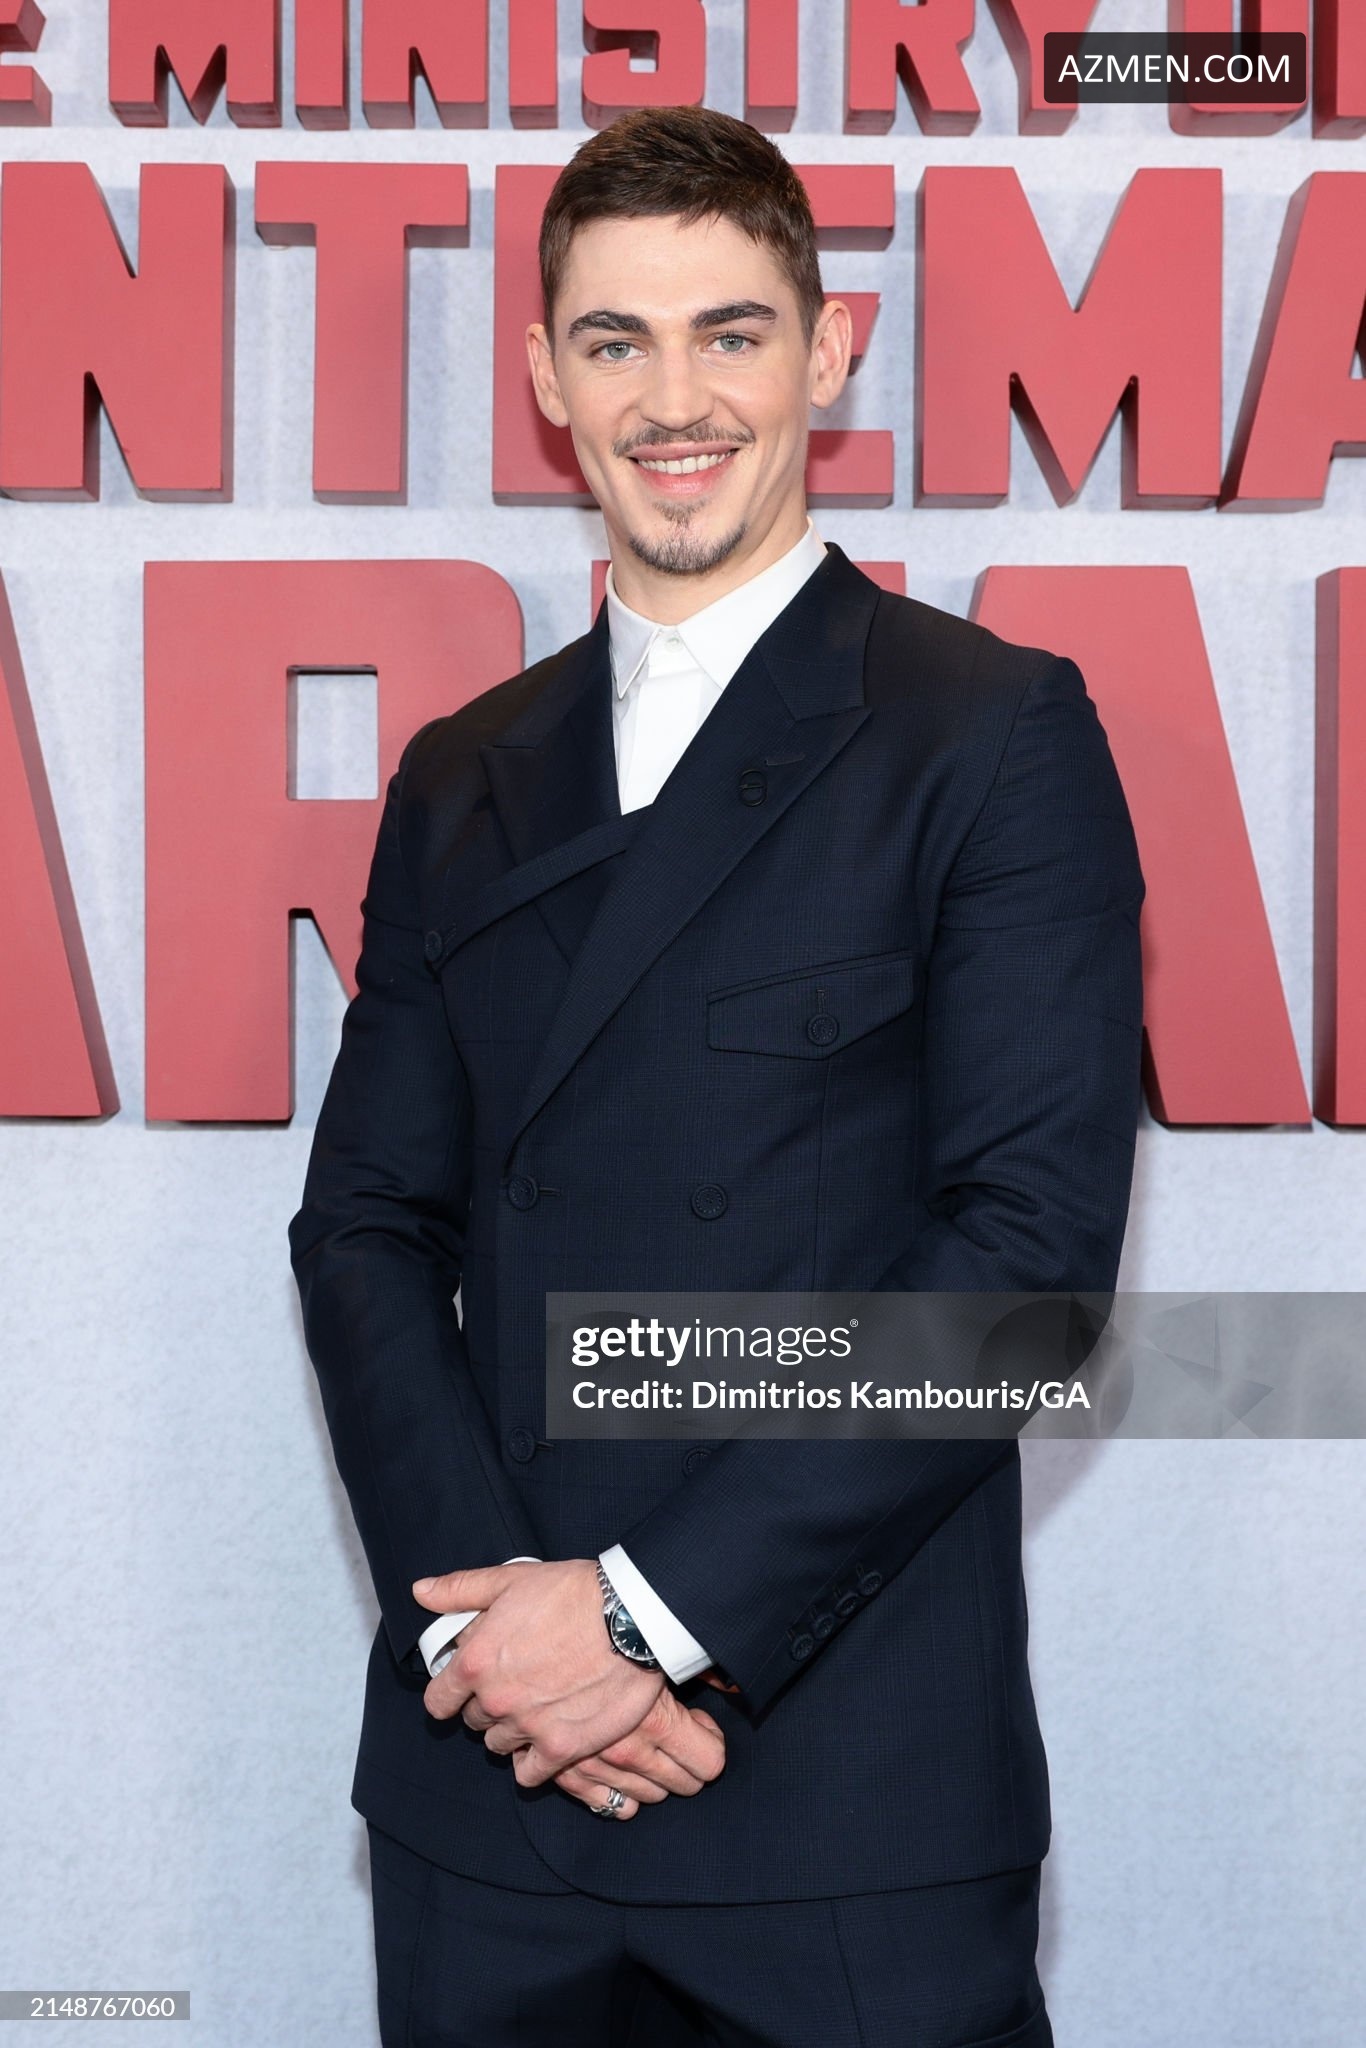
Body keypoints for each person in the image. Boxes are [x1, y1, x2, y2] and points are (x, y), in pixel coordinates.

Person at [288, 104, 1146, 2048]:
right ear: (545, 381)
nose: (672, 401)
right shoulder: (459, 771)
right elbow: (364, 1229)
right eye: (615, 341)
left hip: (842, 1792)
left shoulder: (986, 734)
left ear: (826, 353)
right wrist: (496, 1633)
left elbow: (1020, 1271)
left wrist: (634, 1619)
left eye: (728, 333)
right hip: (490, 1789)